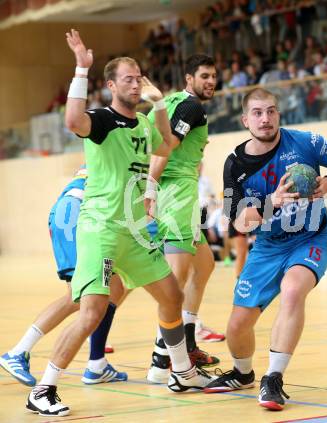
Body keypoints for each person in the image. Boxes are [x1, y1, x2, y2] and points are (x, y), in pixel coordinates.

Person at [25, 29, 213, 417]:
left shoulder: (144, 124)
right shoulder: (101, 120)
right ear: (111, 85)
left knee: (172, 296)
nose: (135, 82)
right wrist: (81, 68)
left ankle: (181, 371)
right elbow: (72, 119)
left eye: (139, 76)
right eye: (127, 78)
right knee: (91, 310)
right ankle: (44, 388)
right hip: (101, 230)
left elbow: (166, 145)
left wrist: (159, 104)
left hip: (134, 231)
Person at [204, 88, 327, 411]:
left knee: (292, 291)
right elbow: (240, 222)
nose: (266, 119)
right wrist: (271, 202)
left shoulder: (305, 142)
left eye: (271, 111)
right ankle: (242, 373)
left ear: (279, 114)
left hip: (311, 238)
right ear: (245, 119)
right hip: (267, 247)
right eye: (258, 113)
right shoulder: (235, 164)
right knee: (236, 327)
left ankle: (273, 378)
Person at [0, 166, 126, 387]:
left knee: (114, 288)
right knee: (77, 296)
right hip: (76, 215)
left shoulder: (115, 146)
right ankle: (18, 352)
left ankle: (97, 364)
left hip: (77, 214)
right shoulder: (127, 151)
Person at [145, 54, 221, 383]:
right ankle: (164, 358)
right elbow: (168, 146)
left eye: (214, 76)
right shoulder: (191, 106)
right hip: (176, 193)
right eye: (204, 75)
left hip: (174, 192)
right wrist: (149, 188)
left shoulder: (173, 101)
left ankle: (186, 340)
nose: (211, 81)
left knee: (205, 264)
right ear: (189, 78)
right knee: (174, 283)